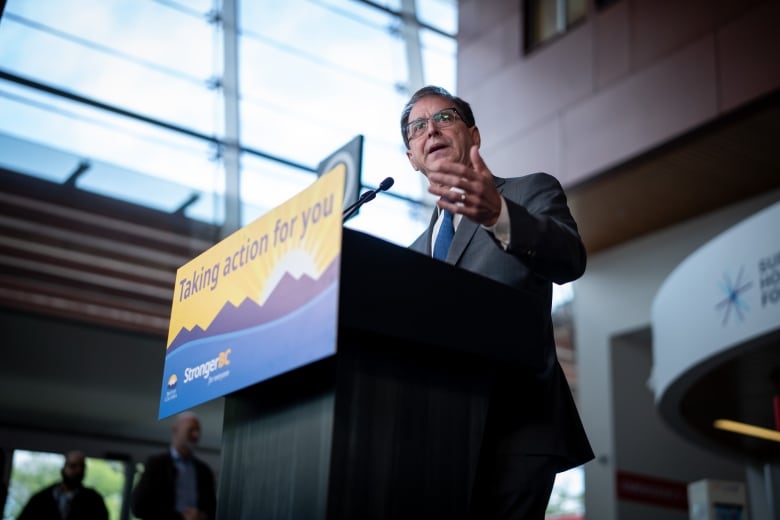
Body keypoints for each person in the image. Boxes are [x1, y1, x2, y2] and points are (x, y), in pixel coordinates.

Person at [402, 85, 594, 519]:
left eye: (444, 118)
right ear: (411, 158)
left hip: (517, 429)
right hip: (434, 442)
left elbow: (570, 258)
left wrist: (497, 216)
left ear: (474, 135)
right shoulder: (411, 254)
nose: (430, 129)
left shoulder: (528, 193)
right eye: (417, 127)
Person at [131, 411, 217, 520]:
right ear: (175, 430)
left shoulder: (203, 471)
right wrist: (179, 517)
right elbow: (139, 507)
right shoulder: (157, 464)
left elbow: (212, 508)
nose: (196, 435)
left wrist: (202, 516)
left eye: (198, 430)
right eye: (191, 430)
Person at [17, 450, 108, 520]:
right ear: (64, 467)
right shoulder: (41, 498)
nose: (78, 471)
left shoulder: (93, 500)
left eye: (82, 467)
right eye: (73, 466)